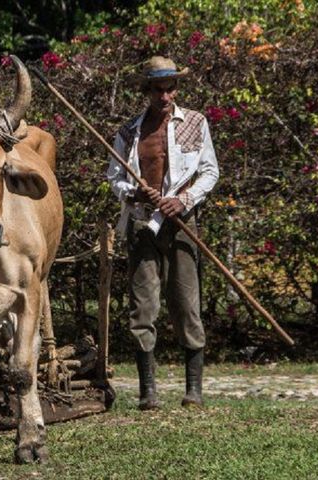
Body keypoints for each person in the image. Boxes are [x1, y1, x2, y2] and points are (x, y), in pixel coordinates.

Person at [106, 55, 219, 409]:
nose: (165, 96)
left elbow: (210, 172)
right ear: (147, 91)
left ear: (176, 89)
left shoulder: (196, 123)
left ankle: (193, 391)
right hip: (142, 224)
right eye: (158, 90)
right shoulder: (128, 132)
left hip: (182, 224)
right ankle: (148, 393)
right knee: (143, 307)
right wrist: (133, 192)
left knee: (186, 303)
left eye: (170, 89)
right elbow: (114, 178)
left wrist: (183, 200)